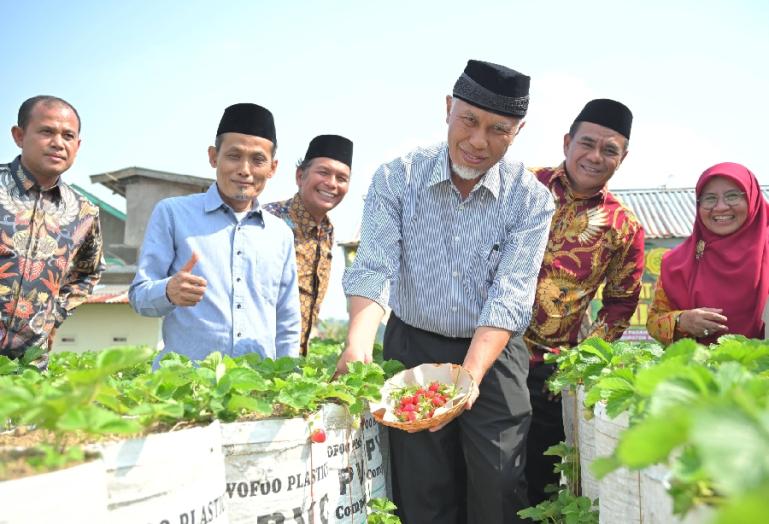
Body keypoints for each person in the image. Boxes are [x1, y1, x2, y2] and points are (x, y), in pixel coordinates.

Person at [336, 59, 555, 523]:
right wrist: (358, 345)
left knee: (499, 481)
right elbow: (374, 267)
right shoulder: (397, 178)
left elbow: (512, 294)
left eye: (498, 129)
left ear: (518, 131)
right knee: (422, 489)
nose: (478, 142)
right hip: (415, 343)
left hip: (492, 353)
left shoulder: (531, 198)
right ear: (448, 108)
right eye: (469, 121)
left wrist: (469, 376)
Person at [523, 99, 645, 504]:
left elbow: (620, 305)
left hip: (549, 374)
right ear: (566, 142)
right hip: (481, 353)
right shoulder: (523, 184)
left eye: (609, 150)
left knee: (537, 481)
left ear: (622, 158)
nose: (595, 157)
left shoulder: (624, 227)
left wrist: (582, 363)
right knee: (476, 472)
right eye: (587, 143)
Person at [129, 103, 301, 361]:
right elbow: (139, 296)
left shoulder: (280, 234)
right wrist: (168, 292)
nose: (245, 169)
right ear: (213, 157)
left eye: (258, 160)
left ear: (273, 168)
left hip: (257, 391)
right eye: (234, 156)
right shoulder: (173, 214)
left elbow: (287, 322)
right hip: (186, 388)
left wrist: (288, 379)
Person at [0, 95, 104, 370]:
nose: (58, 143)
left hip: (29, 365)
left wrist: (54, 315)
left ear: (77, 146)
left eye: (68, 135)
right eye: (46, 131)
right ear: (19, 135)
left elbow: (88, 272)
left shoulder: (84, 212)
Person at [647, 162, 769, 345]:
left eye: (733, 196)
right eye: (709, 198)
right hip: (699, 371)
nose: (720, 207)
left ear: (752, 199)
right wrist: (682, 321)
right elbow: (653, 321)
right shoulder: (677, 262)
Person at [264, 134, 353, 354]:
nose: (332, 184)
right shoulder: (268, 220)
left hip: (295, 359)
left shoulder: (328, 231)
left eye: (341, 178)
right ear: (300, 176)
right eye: (323, 172)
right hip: (259, 356)